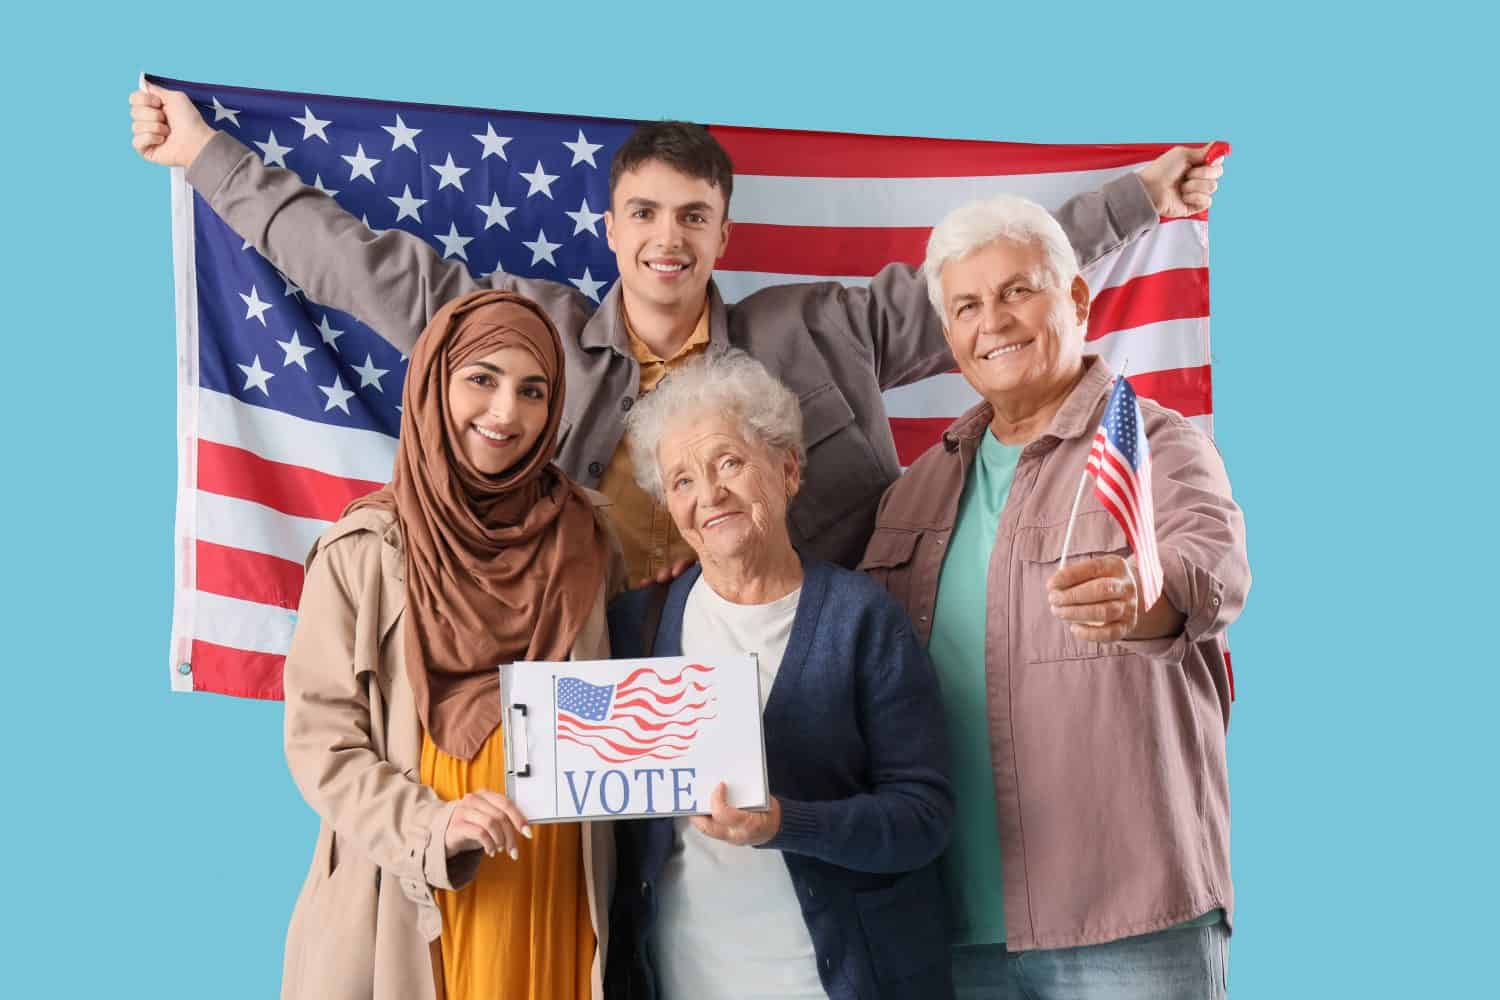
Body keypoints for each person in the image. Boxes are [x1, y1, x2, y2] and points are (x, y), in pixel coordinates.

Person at [128, 81, 1222, 581]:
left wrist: (1138, 197)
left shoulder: (820, 329)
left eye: (693, 218)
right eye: (645, 214)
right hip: (611, 663)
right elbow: (362, 269)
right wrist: (202, 157)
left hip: (812, 665)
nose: (668, 240)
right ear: (611, 225)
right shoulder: (538, 337)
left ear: (722, 230)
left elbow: (986, 285)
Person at [859, 195, 1250, 999]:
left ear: (1074, 300)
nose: (992, 321)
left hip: (1129, 918)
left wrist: (1148, 596)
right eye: (966, 305)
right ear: (949, 337)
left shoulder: (1156, 442)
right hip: (956, 928)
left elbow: (1211, 567)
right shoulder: (916, 491)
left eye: (1017, 291)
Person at [279, 289, 624, 1000]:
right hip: (411, 894)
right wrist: (434, 825)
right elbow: (321, 746)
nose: (506, 414)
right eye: (481, 379)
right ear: (435, 384)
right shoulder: (363, 552)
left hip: (557, 886)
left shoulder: (588, 537)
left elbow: (616, 707)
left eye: (533, 391)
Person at [604, 350, 954, 999]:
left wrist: (783, 822)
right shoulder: (634, 628)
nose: (708, 495)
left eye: (728, 462)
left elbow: (923, 820)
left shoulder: (862, 620)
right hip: (686, 981)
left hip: (840, 981)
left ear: (788, 468)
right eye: (681, 480)